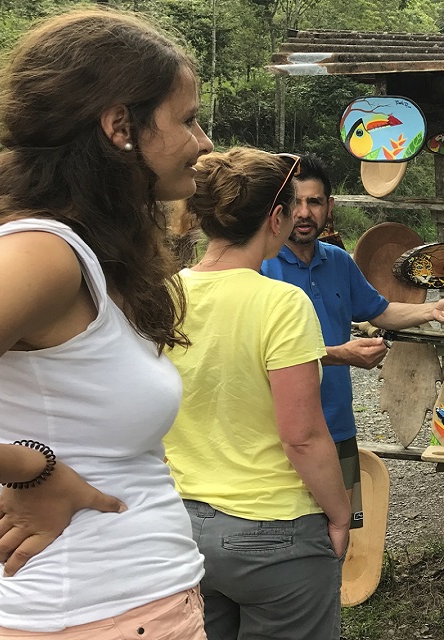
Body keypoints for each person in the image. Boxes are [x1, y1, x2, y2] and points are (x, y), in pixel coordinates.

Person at [0, 7, 213, 638]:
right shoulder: (38, 253)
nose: (203, 144)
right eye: (189, 119)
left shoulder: (82, 254)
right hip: (96, 618)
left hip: (137, 609)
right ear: (120, 125)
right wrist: (30, 467)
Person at [164, 148, 351, 640]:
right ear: (276, 217)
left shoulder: (166, 295)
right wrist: (339, 514)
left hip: (184, 523)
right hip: (276, 530)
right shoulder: (282, 303)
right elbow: (303, 436)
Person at [260, 152, 444, 524]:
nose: (305, 213)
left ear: (330, 207)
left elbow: (380, 310)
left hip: (336, 424)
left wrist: (430, 310)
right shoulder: (260, 267)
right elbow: (260, 354)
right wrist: (342, 354)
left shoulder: (338, 261)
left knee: (340, 534)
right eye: (296, 202)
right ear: (280, 209)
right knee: (287, 534)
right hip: (278, 431)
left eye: (315, 202)